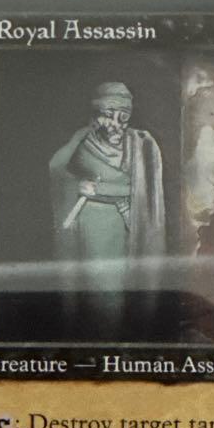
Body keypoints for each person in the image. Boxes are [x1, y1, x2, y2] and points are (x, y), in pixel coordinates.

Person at [49, 83, 165, 286]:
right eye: (109, 115)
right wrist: (77, 183)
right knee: (97, 285)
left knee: (123, 284)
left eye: (123, 116)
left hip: (128, 221)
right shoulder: (84, 142)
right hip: (92, 222)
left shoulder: (140, 143)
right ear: (96, 115)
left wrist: (101, 189)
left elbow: (145, 190)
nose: (115, 123)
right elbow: (56, 169)